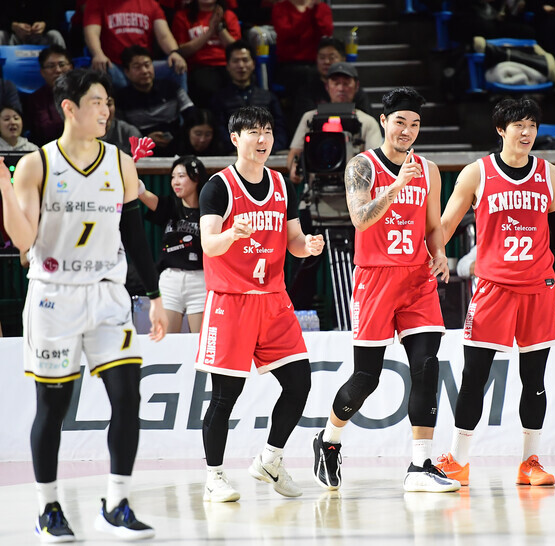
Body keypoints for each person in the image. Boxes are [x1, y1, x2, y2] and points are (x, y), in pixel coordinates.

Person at [0, 68, 168, 541]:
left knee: (128, 397)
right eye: (96, 101)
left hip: (108, 294)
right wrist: (4, 189)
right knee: (53, 406)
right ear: (68, 108)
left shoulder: (120, 163)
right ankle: (48, 508)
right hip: (54, 297)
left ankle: (116, 504)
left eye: (107, 102)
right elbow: (24, 240)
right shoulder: (36, 165)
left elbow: (135, 235)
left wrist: (153, 294)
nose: (106, 110)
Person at [311, 87, 460, 494]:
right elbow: (360, 219)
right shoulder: (362, 165)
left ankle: (420, 465)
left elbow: (433, 225)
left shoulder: (429, 170)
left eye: (415, 124)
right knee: (366, 378)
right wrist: (395, 187)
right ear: (383, 122)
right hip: (375, 278)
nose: (407, 131)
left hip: (417, 279)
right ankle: (328, 440)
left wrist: (440, 253)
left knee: (427, 367)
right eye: (400, 122)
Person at [434, 98, 555, 488]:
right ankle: (458, 460)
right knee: (474, 377)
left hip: (538, 288)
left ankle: (530, 462)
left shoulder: (551, 175)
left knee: (535, 378)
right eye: (518, 126)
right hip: (493, 288)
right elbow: (446, 224)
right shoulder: (476, 173)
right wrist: (429, 255)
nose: (526, 133)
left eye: (532, 125)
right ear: (500, 130)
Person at [195, 105, 325, 503]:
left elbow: (293, 240)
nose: (263, 138)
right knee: (225, 396)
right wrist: (232, 234)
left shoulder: (282, 184)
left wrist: (307, 247)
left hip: (273, 300)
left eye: (267, 130)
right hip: (231, 302)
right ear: (236, 139)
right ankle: (214, 477)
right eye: (253, 131)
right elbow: (209, 244)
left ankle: (270, 459)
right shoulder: (218, 187)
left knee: (299, 382)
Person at [138, 155, 208, 333]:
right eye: (173, 177)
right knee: (166, 340)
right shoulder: (169, 206)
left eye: (181, 176)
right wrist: (130, 166)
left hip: (200, 281)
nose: (175, 182)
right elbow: (140, 191)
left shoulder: (209, 212)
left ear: (196, 178)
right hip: (170, 281)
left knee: (199, 341)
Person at [288, 62, 382, 185]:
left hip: (354, 189)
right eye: (336, 83)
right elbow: (294, 154)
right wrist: (294, 168)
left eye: (346, 83)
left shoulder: (367, 122)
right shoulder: (310, 118)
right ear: (327, 86)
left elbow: (376, 163)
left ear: (356, 86)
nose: (341, 88)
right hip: (316, 188)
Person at [83, 0, 188, 89]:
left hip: (145, 66)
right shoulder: (97, 2)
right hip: (115, 66)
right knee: (99, 70)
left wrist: (174, 53)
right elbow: (92, 32)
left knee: (177, 66)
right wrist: (98, 54)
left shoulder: (150, 4)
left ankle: (185, 106)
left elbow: (164, 35)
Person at [116, 45, 195, 156]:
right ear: (127, 72)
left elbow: (192, 116)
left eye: (147, 65)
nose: (144, 71)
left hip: (176, 144)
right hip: (141, 151)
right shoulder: (120, 99)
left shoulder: (172, 88)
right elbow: (121, 132)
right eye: (137, 67)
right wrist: (145, 139)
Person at [210, 40, 288, 152]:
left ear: (253, 64)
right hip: (233, 154)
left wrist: (269, 149)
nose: (241, 65)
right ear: (228, 66)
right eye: (236, 61)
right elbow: (219, 130)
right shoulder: (219, 99)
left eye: (245, 60)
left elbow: (280, 128)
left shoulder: (268, 97)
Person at [289, 36, 372, 131]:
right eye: (322, 57)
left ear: (343, 59)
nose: (326, 62)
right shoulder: (307, 91)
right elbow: (305, 124)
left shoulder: (355, 92)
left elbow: (366, 123)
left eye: (332, 57)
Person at [171, 0, 241, 107]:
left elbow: (235, 48)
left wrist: (220, 26)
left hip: (227, 65)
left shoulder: (228, 15)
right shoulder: (182, 16)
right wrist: (210, 32)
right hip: (200, 67)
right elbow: (182, 51)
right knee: (206, 86)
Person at [23, 45, 74, 146]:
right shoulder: (35, 99)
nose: (58, 70)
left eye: (62, 64)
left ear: (71, 67)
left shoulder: (83, 94)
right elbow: (46, 131)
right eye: (51, 66)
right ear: (42, 72)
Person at [0, 1, 66, 47]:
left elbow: (58, 17)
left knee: (55, 35)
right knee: (1, 34)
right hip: (12, 35)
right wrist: (13, 26)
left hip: (42, 36)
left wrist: (45, 24)